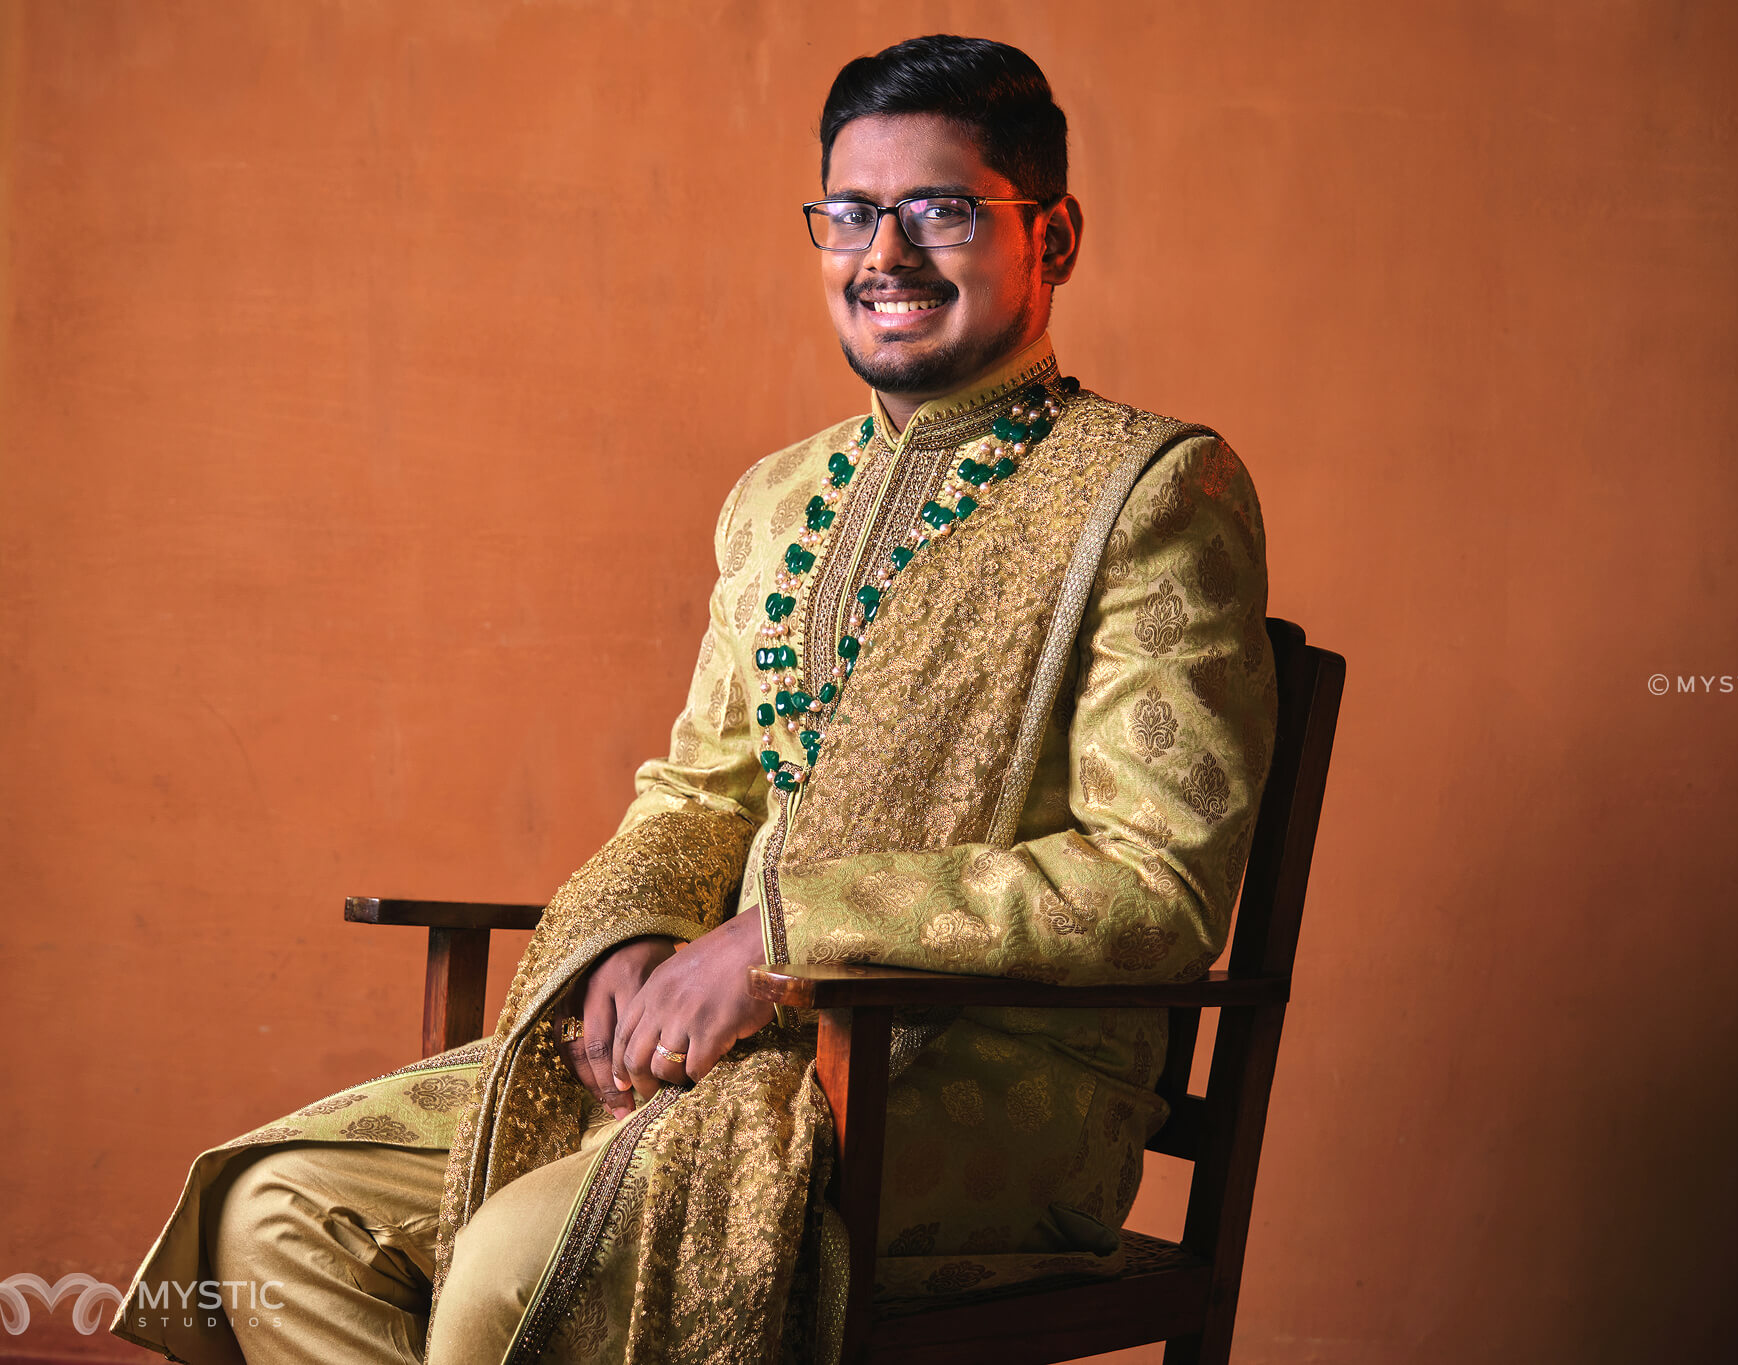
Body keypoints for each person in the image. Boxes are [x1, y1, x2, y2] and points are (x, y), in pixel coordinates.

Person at [112, 33, 1274, 1365]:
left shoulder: (1156, 492)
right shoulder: (777, 497)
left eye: (940, 210)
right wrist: (622, 939)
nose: (882, 255)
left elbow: (1156, 879)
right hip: (716, 1061)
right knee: (277, 1212)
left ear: (1052, 235)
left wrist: (776, 939)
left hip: (975, 1088)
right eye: (849, 213)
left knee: (513, 1268)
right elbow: (701, 790)